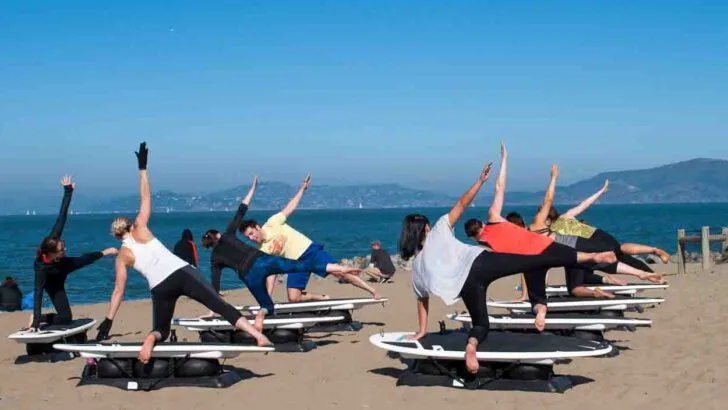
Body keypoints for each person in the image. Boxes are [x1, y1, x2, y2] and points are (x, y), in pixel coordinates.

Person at [400, 157, 617, 375]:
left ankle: (471, 346)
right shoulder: (439, 228)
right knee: (534, 259)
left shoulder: (417, 269)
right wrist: (480, 181)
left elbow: (422, 301)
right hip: (480, 263)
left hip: (466, 287)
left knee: (481, 325)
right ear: (426, 228)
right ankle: (591, 258)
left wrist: (421, 331)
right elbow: (462, 204)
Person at [94, 142, 272, 364]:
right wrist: (142, 168)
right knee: (220, 306)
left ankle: (150, 338)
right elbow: (146, 198)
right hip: (180, 272)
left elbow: (118, 291)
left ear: (116, 236)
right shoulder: (140, 226)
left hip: (159, 287)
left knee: (161, 329)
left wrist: (108, 321)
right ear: (129, 225)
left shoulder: (122, 256)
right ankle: (258, 336)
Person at [201, 176, 366, 317]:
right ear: (218, 235)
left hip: (249, 274)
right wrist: (253, 188)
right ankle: (337, 276)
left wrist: (211, 310)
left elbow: (215, 284)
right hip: (264, 262)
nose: (251, 237)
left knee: (265, 302)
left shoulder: (215, 258)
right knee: (296, 278)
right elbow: (242, 209)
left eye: (251, 234)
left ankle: (264, 312)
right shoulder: (230, 234)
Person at [526, 165, 665, 297]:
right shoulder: (566, 217)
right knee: (619, 251)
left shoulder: (540, 231)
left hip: (580, 249)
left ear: (548, 220)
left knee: (584, 277)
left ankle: (638, 273)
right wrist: (600, 192)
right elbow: (584, 204)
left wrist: (553, 178)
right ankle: (649, 261)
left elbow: (548, 200)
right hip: (596, 237)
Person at [239, 174, 380, 303]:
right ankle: (322, 298)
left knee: (340, 273)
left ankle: (372, 291)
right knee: (293, 298)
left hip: (310, 251)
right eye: (248, 237)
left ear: (257, 227)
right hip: (297, 264)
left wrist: (303, 189)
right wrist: (268, 299)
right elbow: (271, 274)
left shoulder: (273, 222)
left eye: (251, 233)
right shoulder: (262, 249)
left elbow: (290, 207)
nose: (251, 238)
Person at [28, 176, 118, 331]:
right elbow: (38, 294)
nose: (65, 249)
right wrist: (35, 323)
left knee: (83, 260)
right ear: (52, 253)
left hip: (61, 266)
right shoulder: (40, 268)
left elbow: (62, 216)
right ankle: (40, 319)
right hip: (53, 283)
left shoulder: (53, 240)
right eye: (62, 250)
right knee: (65, 318)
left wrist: (68, 191)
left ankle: (104, 252)